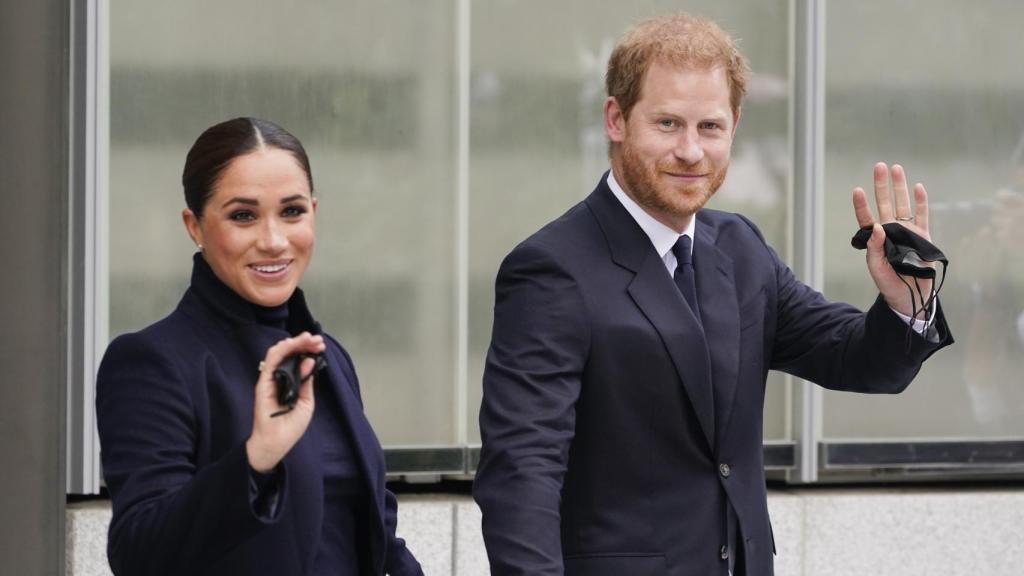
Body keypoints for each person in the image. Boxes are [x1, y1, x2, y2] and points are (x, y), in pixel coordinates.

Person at [473, 13, 953, 576]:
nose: (691, 151)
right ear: (616, 119)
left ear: (735, 126)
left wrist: (905, 299)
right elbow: (521, 473)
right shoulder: (552, 269)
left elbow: (860, 362)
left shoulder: (742, 249)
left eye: (710, 127)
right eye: (669, 123)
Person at [96, 117, 423, 576]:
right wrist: (256, 460)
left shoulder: (328, 357)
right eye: (243, 215)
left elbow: (375, 536)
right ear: (195, 226)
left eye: (292, 212)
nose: (273, 241)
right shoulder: (152, 362)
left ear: (314, 211)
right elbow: (139, 553)